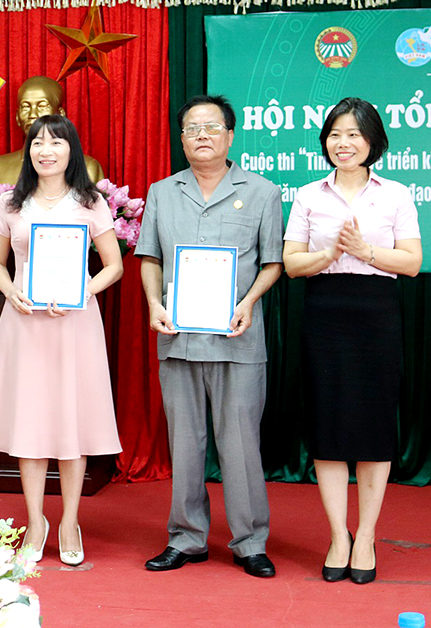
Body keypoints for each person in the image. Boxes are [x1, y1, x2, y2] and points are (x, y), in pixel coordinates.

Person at [136, 95, 284, 578]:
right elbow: (150, 257)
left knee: (240, 443)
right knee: (184, 443)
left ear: (230, 135)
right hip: (178, 337)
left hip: (237, 338)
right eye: (191, 128)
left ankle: (250, 542)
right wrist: (155, 304)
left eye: (211, 127)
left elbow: (272, 262)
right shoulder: (162, 192)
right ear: (181, 139)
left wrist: (248, 302)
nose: (201, 135)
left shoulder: (262, 192)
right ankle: (186, 537)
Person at [283, 97, 422, 584]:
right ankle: (337, 536)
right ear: (325, 141)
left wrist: (365, 251)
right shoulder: (308, 195)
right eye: (335, 135)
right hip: (325, 312)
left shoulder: (396, 194)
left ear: (372, 142)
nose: (343, 144)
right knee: (328, 426)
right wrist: (327, 256)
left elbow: (412, 262)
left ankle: (365, 536)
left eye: (354, 135)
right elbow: (291, 264)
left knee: (373, 428)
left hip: (376, 313)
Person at [0, 114, 123, 566]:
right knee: (32, 421)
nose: (46, 150)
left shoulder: (90, 202)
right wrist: (10, 292)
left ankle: (70, 521)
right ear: (29, 152)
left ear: (71, 151)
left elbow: (114, 265)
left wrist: (84, 291)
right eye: (37, 143)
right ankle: (36, 521)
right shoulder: (10, 204)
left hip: (75, 323)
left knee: (72, 421)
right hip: (26, 322)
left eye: (56, 142)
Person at [0, 76, 105, 186]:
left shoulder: (87, 169)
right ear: (17, 117)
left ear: (60, 114)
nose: (33, 114)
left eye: (42, 106)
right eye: (25, 107)